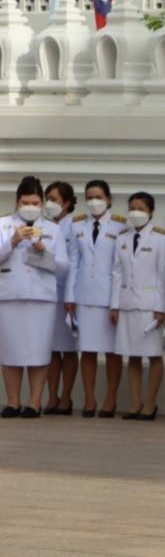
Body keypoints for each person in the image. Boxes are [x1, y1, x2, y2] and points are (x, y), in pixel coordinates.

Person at [0, 177, 73, 418]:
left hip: (41, 297)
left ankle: (34, 402)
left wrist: (43, 252)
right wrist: (13, 241)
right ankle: (12, 402)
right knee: (10, 350)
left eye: (34, 202)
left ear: (41, 203)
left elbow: (63, 267)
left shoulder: (53, 229)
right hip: (10, 295)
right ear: (17, 201)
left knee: (38, 350)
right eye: (25, 202)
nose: (30, 206)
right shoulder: (4, 224)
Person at [109, 191, 165, 421]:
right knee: (132, 355)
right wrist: (114, 305)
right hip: (126, 303)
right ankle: (135, 403)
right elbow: (116, 273)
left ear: (151, 212)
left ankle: (150, 404)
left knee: (153, 355)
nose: (136, 212)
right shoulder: (122, 237)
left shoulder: (160, 238)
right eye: (132, 208)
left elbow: (164, 274)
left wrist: (162, 307)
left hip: (150, 305)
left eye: (141, 209)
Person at [70, 179, 125, 418]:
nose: (94, 201)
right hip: (84, 295)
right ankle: (90, 398)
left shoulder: (120, 226)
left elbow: (120, 267)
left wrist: (116, 303)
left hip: (109, 296)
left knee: (112, 352)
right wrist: (69, 296)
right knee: (88, 350)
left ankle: (111, 398)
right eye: (89, 197)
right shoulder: (77, 225)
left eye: (99, 197)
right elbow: (74, 262)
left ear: (109, 199)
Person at [43, 181, 80, 414]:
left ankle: (66, 397)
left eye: (55, 199)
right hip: (46, 292)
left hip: (67, 293)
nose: (50, 204)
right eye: (48, 198)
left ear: (67, 203)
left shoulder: (74, 227)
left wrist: (71, 295)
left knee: (68, 349)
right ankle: (52, 396)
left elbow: (74, 264)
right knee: (51, 349)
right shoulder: (42, 225)